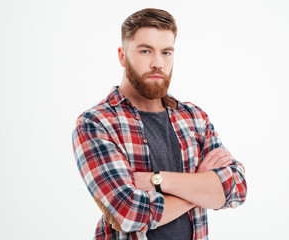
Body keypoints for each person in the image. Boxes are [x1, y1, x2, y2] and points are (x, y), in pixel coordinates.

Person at [72, 8, 247, 240]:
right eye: (145, 51)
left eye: (166, 52)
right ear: (122, 56)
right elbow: (128, 214)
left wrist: (157, 180)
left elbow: (236, 187)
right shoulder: (96, 123)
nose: (158, 63)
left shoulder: (194, 118)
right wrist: (200, 185)